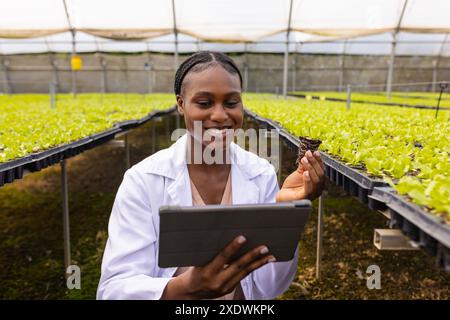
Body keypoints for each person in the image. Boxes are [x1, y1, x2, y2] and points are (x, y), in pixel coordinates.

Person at [97, 51, 325, 300]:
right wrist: (183, 289)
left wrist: (284, 214)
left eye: (231, 102)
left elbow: (269, 287)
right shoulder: (143, 180)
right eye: (204, 103)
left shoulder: (260, 174)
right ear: (181, 104)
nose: (219, 115)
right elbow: (113, 290)